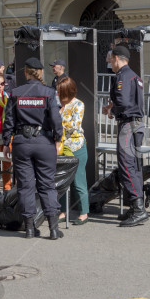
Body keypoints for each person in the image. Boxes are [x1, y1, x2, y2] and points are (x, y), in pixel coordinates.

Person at [2, 57, 64, 239]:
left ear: (26, 72)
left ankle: (29, 228)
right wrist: (58, 138)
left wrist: (7, 141)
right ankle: (53, 229)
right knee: (47, 185)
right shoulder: (49, 92)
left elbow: (9, 120)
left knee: (25, 186)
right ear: (40, 73)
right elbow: (55, 118)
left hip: (22, 142)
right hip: (44, 142)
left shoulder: (16, 92)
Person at [103, 45, 147, 227]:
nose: (109, 63)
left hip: (128, 125)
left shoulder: (122, 76)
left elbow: (123, 101)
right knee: (133, 165)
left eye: (110, 60)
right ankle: (136, 207)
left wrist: (112, 108)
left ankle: (138, 209)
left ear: (117, 58)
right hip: (136, 124)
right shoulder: (133, 75)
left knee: (127, 166)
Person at [56, 76, 89, 225]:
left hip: (76, 147)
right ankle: (63, 210)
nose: (59, 96)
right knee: (62, 180)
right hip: (62, 147)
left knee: (78, 181)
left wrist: (59, 118)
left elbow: (74, 125)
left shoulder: (78, 105)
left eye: (61, 93)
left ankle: (84, 212)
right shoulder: (59, 104)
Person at [0, 76, 11, 192]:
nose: (0, 86)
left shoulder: (8, 96)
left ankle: (7, 188)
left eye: (2, 83)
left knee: (7, 162)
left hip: (7, 133)